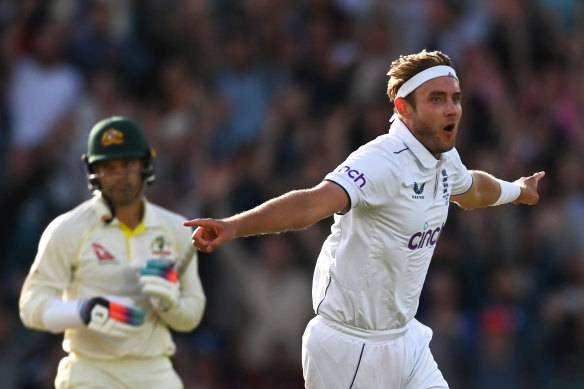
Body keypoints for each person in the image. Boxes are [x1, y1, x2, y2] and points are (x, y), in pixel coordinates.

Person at [183, 49, 545, 388]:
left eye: (455, 98)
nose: (452, 109)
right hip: (348, 348)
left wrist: (517, 190)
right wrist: (235, 225)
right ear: (404, 108)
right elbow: (311, 205)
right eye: (437, 99)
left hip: (406, 339)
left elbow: (472, 190)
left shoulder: (442, 157)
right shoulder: (381, 160)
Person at [19, 116, 206, 389]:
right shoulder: (68, 229)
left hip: (153, 369)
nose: (119, 177)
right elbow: (30, 306)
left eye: (128, 165)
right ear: (93, 170)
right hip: (90, 370)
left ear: (145, 165)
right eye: (108, 167)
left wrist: (170, 305)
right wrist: (82, 310)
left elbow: (192, 315)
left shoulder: (175, 229)